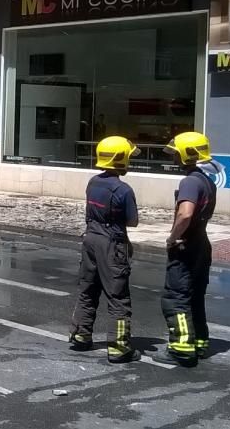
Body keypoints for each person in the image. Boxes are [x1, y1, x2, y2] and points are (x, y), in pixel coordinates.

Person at [69, 136, 142, 364]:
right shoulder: (123, 189)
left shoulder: (93, 182)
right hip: (112, 244)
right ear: (120, 158)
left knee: (88, 290)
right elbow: (132, 221)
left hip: (90, 240)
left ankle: (81, 335)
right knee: (118, 297)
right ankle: (119, 347)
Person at [153, 132, 219, 367]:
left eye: (176, 154)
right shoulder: (206, 181)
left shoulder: (190, 181)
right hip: (201, 244)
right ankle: (199, 343)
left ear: (186, 154)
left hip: (186, 245)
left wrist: (173, 237)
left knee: (176, 299)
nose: (173, 159)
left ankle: (181, 349)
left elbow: (185, 213)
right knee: (195, 298)